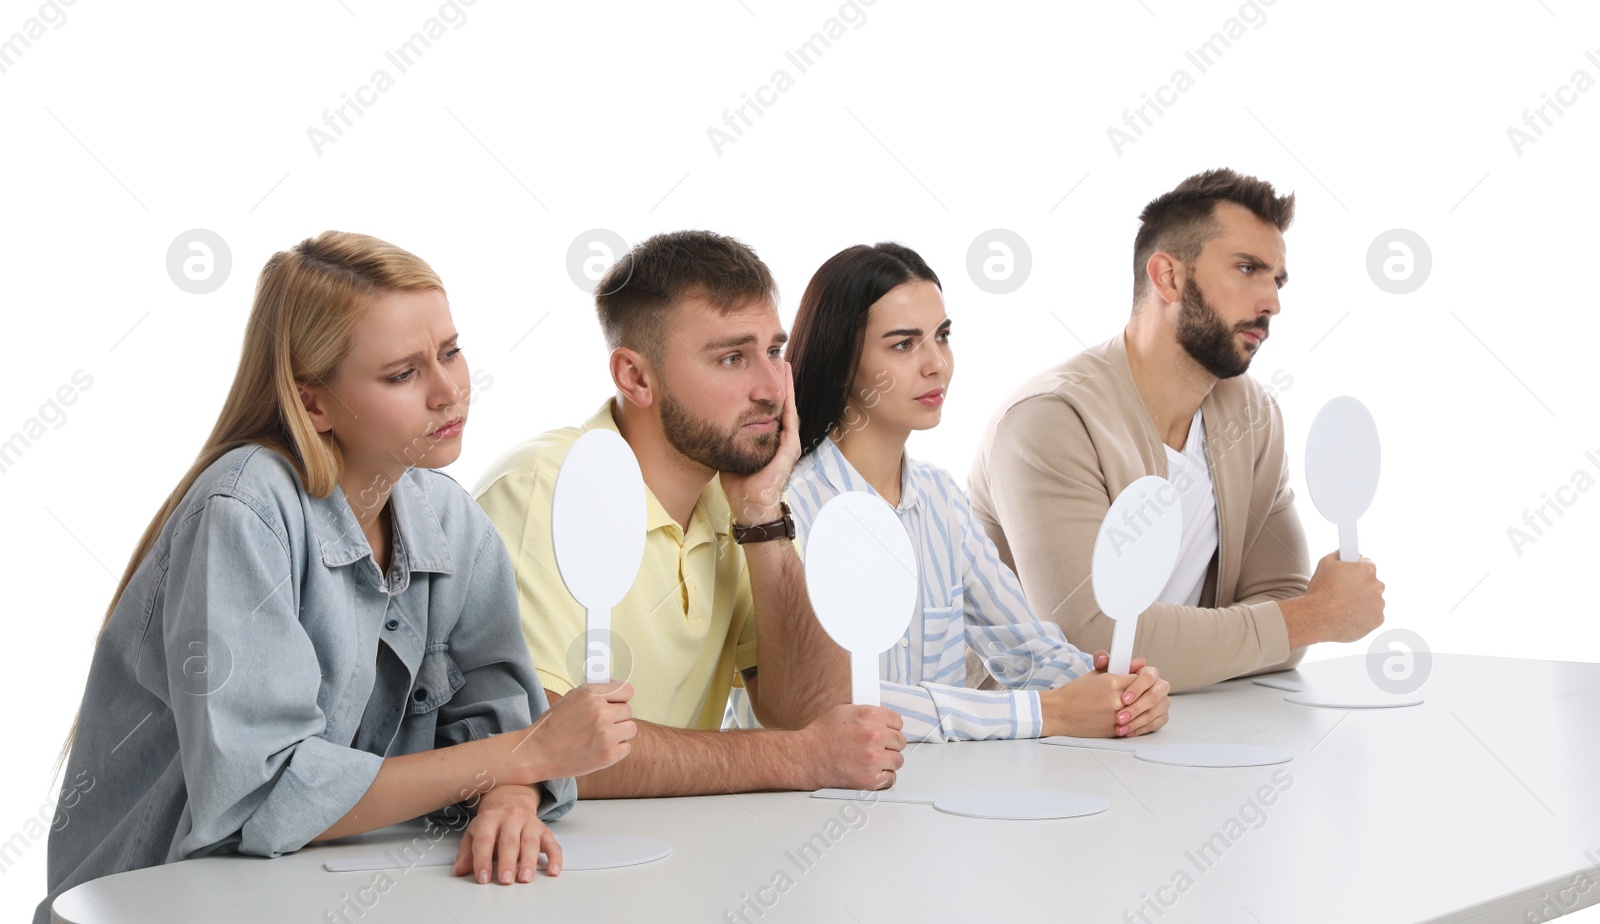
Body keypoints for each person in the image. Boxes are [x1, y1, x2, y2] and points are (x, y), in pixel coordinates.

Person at [39, 232, 636, 924]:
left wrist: (510, 797)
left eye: (450, 352)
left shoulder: (450, 518)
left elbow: (496, 724)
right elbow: (260, 798)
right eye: (402, 374)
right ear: (314, 404)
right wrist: (523, 754)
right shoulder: (245, 511)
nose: (449, 392)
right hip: (167, 906)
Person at [474, 230, 905, 798]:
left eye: (774, 352)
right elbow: (545, 747)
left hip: (685, 857)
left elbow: (811, 711)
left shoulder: (734, 497)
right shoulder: (543, 489)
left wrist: (762, 516)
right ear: (635, 377)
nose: (771, 389)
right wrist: (798, 759)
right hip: (553, 867)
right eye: (732, 358)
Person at [968, 168, 1387, 692]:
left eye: (1276, 280)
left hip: (1171, 731)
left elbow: (1281, 600)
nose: (1272, 302)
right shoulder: (1048, 420)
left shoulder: (1250, 414)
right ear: (1168, 277)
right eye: (1247, 268)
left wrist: (1293, 621)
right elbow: (1095, 643)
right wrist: (1313, 618)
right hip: (1022, 750)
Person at [779, 242, 1169, 742]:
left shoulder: (941, 499)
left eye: (942, 337)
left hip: (939, 799)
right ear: (840, 361)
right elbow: (840, 701)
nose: (936, 364)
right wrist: (1050, 714)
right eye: (903, 344)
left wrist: (1118, 694)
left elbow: (1027, 649)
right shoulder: (789, 509)